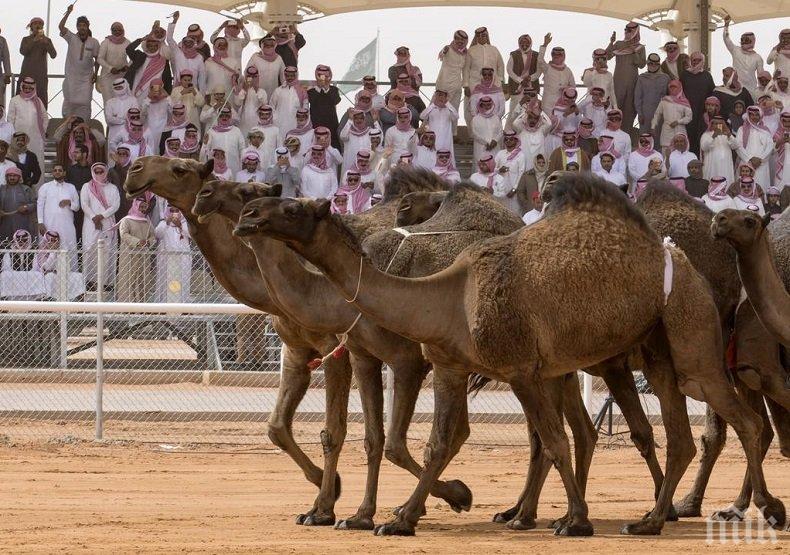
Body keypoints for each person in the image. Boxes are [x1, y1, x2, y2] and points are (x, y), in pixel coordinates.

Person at [80, 163, 119, 290]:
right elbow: (84, 204)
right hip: (91, 223)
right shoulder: (87, 186)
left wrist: (101, 216)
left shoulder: (112, 188)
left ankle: (106, 282)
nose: (98, 174)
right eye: (96, 171)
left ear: (106, 172)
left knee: (107, 250)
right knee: (90, 249)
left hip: (107, 222)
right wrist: (93, 217)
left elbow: (115, 205)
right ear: (92, 172)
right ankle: (89, 281)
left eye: (101, 171)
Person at [59, 6, 100, 121]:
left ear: (87, 27)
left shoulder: (94, 42)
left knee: (85, 103)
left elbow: (97, 59)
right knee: (70, 102)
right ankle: (68, 129)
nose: (82, 28)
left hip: (86, 79)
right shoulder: (71, 38)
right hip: (71, 78)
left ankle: (84, 128)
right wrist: (68, 12)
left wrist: (96, 74)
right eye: (80, 25)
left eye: (84, 25)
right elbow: (61, 27)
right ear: (77, 27)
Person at [606, 21, 646, 133]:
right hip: (618, 82)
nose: (627, 32)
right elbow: (607, 56)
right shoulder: (619, 44)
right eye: (626, 30)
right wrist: (611, 42)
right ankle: (612, 133)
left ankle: (626, 135)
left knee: (630, 110)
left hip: (633, 83)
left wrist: (634, 52)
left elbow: (642, 64)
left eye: (630, 30)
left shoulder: (639, 47)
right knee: (615, 107)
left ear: (636, 32)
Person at [37, 162, 79, 264]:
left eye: (60, 170)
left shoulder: (71, 187)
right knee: (48, 250)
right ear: (52, 173)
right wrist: (40, 222)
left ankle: (69, 276)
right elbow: (40, 205)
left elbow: (77, 207)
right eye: (55, 170)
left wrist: (69, 202)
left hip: (66, 225)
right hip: (49, 224)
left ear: (64, 173)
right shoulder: (45, 187)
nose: (57, 172)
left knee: (68, 248)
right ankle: (46, 275)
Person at [7, 78, 47, 184]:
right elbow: (10, 119)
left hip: (35, 138)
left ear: (33, 88)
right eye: (25, 87)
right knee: (19, 162)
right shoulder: (15, 100)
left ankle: (38, 190)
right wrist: (13, 137)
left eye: (30, 88)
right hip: (19, 139)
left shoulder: (38, 101)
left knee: (36, 162)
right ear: (22, 87)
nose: (28, 90)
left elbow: (44, 118)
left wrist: (41, 132)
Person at [116, 197, 155, 303]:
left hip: (143, 255)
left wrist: (148, 242)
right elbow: (123, 234)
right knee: (129, 278)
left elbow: (153, 236)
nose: (143, 209)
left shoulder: (147, 221)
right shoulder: (126, 220)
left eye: (144, 207)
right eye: (141, 206)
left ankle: (141, 305)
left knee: (143, 278)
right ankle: (127, 304)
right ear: (135, 206)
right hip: (129, 254)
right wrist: (137, 242)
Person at [463, 27, 505, 125]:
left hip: (493, 86)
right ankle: (473, 136)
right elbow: (466, 68)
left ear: (487, 36)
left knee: (494, 108)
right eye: (480, 36)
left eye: (484, 35)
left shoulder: (494, 49)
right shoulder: (471, 50)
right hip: (474, 84)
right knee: (471, 110)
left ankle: (493, 133)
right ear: (476, 37)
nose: (482, 37)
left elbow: (500, 66)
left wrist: (501, 81)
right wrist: (466, 85)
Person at [680, 52, 716, 155]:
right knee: (688, 137)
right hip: (687, 112)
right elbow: (679, 93)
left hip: (702, 113)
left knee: (701, 137)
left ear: (703, 62)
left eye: (698, 60)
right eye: (694, 60)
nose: (696, 62)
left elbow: (712, 94)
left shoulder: (707, 76)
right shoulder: (684, 74)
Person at [34, 230, 85, 300]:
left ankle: (80, 305)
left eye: (56, 240)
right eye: (51, 240)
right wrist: (53, 252)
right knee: (50, 276)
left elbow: (66, 267)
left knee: (78, 276)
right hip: (43, 276)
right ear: (46, 240)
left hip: (60, 274)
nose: (54, 242)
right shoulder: (41, 252)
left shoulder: (62, 250)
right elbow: (47, 267)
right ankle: (48, 303)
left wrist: (58, 270)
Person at [18, 17, 57, 108]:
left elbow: (54, 55)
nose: (38, 25)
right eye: (35, 23)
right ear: (31, 26)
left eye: (40, 23)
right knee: (23, 101)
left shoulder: (47, 40)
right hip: (26, 74)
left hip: (40, 77)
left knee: (41, 101)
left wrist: (47, 43)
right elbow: (23, 51)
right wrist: (34, 40)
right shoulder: (26, 39)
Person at [155, 206, 191, 303]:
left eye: (177, 210)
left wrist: (180, 225)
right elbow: (157, 234)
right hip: (166, 258)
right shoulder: (163, 223)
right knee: (165, 280)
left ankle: (183, 304)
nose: (174, 213)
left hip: (182, 258)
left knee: (183, 280)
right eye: (171, 211)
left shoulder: (185, 223)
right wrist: (167, 222)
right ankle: (164, 303)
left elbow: (191, 234)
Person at [126, 27, 172, 103]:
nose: (153, 48)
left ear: (158, 46)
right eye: (150, 46)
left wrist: (168, 94)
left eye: (155, 46)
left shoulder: (163, 61)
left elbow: (167, 79)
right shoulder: (139, 56)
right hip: (136, 86)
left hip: (154, 90)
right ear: (147, 46)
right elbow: (129, 49)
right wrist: (141, 39)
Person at [722, 17, 764, 97]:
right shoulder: (735, 50)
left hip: (751, 90)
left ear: (752, 41)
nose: (743, 42)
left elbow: (761, 76)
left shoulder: (758, 57)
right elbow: (726, 38)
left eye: (746, 40)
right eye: (742, 40)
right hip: (736, 89)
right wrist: (726, 25)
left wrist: (762, 92)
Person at [651, 80, 693, 159]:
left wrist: (678, 122)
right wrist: (653, 126)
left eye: (675, 87)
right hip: (667, 131)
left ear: (680, 88)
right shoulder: (664, 100)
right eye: (671, 87)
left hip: (680, 130)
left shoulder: (684, 102)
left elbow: (689, 117)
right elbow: (657, 114)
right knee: (666, 155)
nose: (673, 89)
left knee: (681, 154)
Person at [735, 106, 774, 190]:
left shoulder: (766, 130)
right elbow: (738, 146)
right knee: (745, 187)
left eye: (757, 115)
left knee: (761, 187)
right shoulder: (741, 129)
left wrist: (760, 159)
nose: (754, 117)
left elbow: (770, 146)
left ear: (760, 116)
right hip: (746, 163)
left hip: (761, 164)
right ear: (748, 116)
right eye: (751, 115)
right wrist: (749, 159)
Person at [0, 229, 46, 299]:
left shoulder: (33, 252)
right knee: (4, 275)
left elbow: (35, 268)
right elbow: (6, 268)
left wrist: (23, 274)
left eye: (24, 240)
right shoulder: (9, 252)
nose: (21, 242)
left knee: (38, 275)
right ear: (15, 240)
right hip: (14, 278)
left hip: (29, 277)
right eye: (19, 240)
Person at [167, 12, 207, 92]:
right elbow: (169, 39)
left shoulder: (199, 57)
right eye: (186, 42)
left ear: (194, 43)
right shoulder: (178, 52)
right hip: (178, 89)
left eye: (190, 42)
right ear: (183, 43)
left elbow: (202, 77)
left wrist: (202, 94)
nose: (188, 44)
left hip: (193, 90)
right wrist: (174, 21)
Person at [635, 53, 671, 141]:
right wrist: (639, 113)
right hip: (645, 114)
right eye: (651, 64)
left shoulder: (665, 78)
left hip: (660, 114)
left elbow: (669, 97)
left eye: (656, 64)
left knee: (659, 139)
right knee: (645, 138)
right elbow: (637, 97)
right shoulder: (642, 78)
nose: (653, 66)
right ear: (647, 64)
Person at [436, 31, 468, 128]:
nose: (460, 41)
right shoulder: (448, 48)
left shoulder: (465, 53)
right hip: (445, 82)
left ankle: (452, 133)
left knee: (454, 109)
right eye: (457, 39)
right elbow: (441, 55)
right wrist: (444, 51)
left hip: (457, 84)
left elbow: (465, 70)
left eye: (462, 40)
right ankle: (432, 129)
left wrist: (465, 85)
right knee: (440, 106)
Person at [506, 34, 543, 113]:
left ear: (530, 43)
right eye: (522, 42)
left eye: (526, 42)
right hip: (517, 88)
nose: (524, 44)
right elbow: (509, 69)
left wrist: (530, 79)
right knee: (514, 113)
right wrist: (520, 80)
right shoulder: (514, 54)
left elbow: (539, 71)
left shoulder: (536, 55)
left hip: (531, 88)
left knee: (532, 111)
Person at [308, 65, 341, 149]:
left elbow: (336, 100)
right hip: (316, 124)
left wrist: (326, 88)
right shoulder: (312, 91)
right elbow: (311, 100)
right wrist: (319, 87)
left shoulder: (333, 89)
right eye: (321, 76)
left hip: (331, 125)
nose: (323, 78)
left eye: (326, 76)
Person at [270, 66, 307, 142]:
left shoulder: (302, 91)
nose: (290, 78)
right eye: (287, 75)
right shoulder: (278, 90)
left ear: (296, 76)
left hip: (295, 125)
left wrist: (301, 123)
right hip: (279, 125)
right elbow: (271, 107)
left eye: (292, 76)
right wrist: (275, 119)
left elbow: (305, 109)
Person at [204, 106, 245, 176]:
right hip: (216, 170)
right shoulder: (211, 131)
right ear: (218, 116)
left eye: (227, 116)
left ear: (231, 117)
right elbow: (206, 151)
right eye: (221, 115)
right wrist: (205, 143)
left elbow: (242, 149)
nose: (224, 118)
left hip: (234, 167)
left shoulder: (236, 130)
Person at [97, 22, 130, 103]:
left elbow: (133, 58)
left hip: (122, 76)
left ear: (123, 30)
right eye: (115, 30)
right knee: (109, 102)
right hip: (107, 77)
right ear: (111, 31)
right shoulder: (106, 42)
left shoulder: (127, 42)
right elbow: (99, 59)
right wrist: (110, 68)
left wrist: (128, 66)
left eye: (119, 30)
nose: (117, 32)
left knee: (121, 102)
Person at [0, 166, 36, 242]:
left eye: (14, 175)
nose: (12, 178)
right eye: (10, 175)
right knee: (5, 246)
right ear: (6, 177)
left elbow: (35, 204)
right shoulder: (1, 189)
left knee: (22, 246)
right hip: (5, 224)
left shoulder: (26, 189)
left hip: (23, 223)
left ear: (19, 177)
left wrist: (26, 207)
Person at [511, 105, 552, 170]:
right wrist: (526, 112)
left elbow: (549, 124)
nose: (532, 120)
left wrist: (540, 112)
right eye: (530, 118)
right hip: (525, 163)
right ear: (526, 118)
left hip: (538, 164)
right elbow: (514, 124)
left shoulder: (542, 130)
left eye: (535, 118)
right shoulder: (521, 129)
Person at [538, 44, 575, 117]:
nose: (556, 56)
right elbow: (540, 60)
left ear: (563, 56)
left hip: (563, 103)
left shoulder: (567, 71)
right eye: (554, 54)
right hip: (548, 103)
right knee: (547, 124)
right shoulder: (547, 68)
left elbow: (573, 86)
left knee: (560, 124)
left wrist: (566, 90)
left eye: (559, 55)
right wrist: (544, 45)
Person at [246, 35, 285, 101]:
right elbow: (247, 73)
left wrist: (285, 91)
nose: (268, 47)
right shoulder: (255, 57)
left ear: (274, 46)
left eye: (271, 45)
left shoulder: (278, 58)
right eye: (266, 45)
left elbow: (283, 76)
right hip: (257, 93)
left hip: (273, 93)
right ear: (262, 46)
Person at [420, 90, 459, 157]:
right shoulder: (431, 108)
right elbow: (422, 116)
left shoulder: (449, 109)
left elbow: (456, 116)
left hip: (446, 139)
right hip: (433, 139)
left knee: (445, 157)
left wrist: (447, 103)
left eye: (442, 95)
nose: (440, 97)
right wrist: (433, 105)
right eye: (438, 95)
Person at [700, 116, 738, 184]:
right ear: (712, 124)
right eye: (715, 123)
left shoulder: (727, 135)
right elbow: (704, 147)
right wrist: (714, 136)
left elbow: (735, 146)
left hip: (726, 166)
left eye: (720, 124)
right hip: (712, 166)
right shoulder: (706, 135)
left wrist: (729, 134)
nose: (717, 125)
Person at [104, 79, 139, 149]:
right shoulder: (110, 102)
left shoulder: (133, 100)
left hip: (129, 132)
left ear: (125, 86)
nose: (118, 89)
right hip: (114, 132)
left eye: (120, 87)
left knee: (130, 153)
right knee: (114, 154)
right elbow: (109, 119)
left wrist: (116, 118)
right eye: (116, 88)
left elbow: (134, 118)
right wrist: (125, 119)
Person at [233, 66, 268, 136]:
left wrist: (256, 89)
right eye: (249, 76)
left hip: (257, 123)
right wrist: (244, 90)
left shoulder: (261, 91)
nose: (252, 78)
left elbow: (264, 103)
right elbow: (237, 103)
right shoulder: (242, 90)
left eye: (254, 76)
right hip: (244, 122)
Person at [339, 109, 376, 174]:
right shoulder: (348, 132)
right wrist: (349, 120)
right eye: (356, 118)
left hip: (366, 164)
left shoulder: (370, 131)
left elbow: (379, 138)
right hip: (350, 164)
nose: (359, 120)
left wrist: (375, 121)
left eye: (361, 118)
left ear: (365, 119)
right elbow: (343, 136)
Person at [140, 79, 171, 153]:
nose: (156, 91)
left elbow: (172, 111)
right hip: (150, 128)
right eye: (153, 88)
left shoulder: (167, 99)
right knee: (151, 148)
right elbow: (142, 114)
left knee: (162, 148)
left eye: (158, 88)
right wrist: (149, 99)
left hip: (163, 128)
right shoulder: (146, 100)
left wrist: (167, 97)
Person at [494, 131, 526, 201]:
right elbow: (492, 170)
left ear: (516, 140)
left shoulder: (520, 155)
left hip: (513, 188)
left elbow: (521, 173)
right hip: (500, 188)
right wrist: (499, 170)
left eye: (511, 139)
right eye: (506, 139)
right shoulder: (500, 153)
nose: (508, 141)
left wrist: (514, 189)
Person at [470, 96, 502, 164]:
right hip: (481, 147)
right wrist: (486, 143)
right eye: (484, 105)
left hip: (494, 146)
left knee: (495, 164)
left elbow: (500, 131)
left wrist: (495, 140)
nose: (487, 107)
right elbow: (474, 133)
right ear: (480, 105)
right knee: (481, 166)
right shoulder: (476, 119)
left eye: (489, 105)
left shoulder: (496, 118)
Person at [108, 145, 133, 219]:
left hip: (128, 202)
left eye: (124, 154)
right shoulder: (111, 170)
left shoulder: (133, 169)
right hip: (115, 202)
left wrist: (118, 164)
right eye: (119, 154)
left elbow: (126, 179)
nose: (121, 156)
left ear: (128, 155)